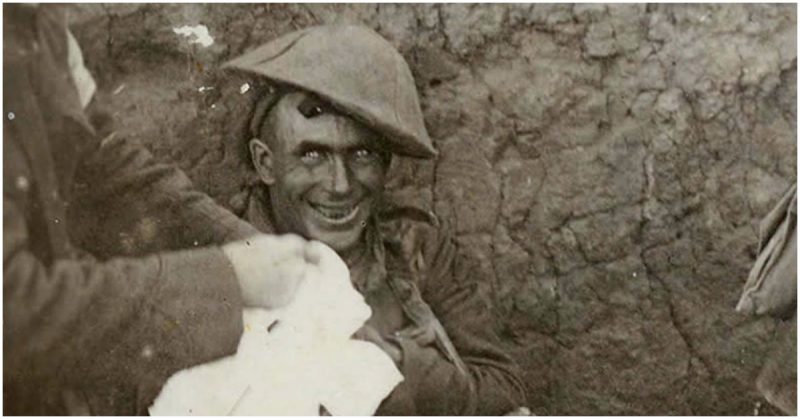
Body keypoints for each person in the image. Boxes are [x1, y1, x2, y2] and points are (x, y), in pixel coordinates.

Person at [3, 5, 318, 415]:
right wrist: (228, 281)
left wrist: (250, 246)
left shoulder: (37, 21)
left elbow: (104, 170)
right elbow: (13, 311)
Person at [223, 25, 527, 415]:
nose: (340, 184)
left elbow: (505, 391)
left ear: (385, 164)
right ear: (266, 162)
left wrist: (402, 364)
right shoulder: (219, 265)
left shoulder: (416, 249)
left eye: (361, 154)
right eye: (312, 155)